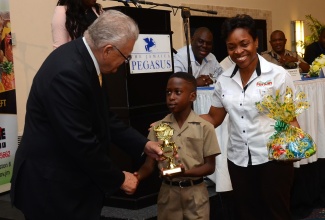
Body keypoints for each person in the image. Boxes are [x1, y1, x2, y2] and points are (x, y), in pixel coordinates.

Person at [10, 10, 163, 220]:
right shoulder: (68, 72)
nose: (123, 64)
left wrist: (142, 144)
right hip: (51, 187)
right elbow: (79, 141)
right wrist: (118, 178)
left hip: (70, 181)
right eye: (125, 56)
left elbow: (104, 117)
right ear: (108, 49)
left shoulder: (85, 59)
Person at [201, 14, 299, 220]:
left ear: (256, 42)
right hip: (238, 160)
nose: (238, 51)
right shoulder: (224, 80)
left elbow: (290, 118)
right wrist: (178, 123)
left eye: (244, 43)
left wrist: (295, 147)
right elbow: (214, 118)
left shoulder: (278, 75)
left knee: (277, 214)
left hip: (273, 160)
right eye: (231, 46)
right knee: (246, 214)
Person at [135, 72, 220, 220]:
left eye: (178, 92)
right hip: (169, 194)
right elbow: (149, 165)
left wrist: (183, 173)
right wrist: (137, 176)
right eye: (168, 92)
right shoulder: (159, 127)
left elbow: (210, 166)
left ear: (192, 96)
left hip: (196, 194)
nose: (171, 97)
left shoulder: (205, 127)